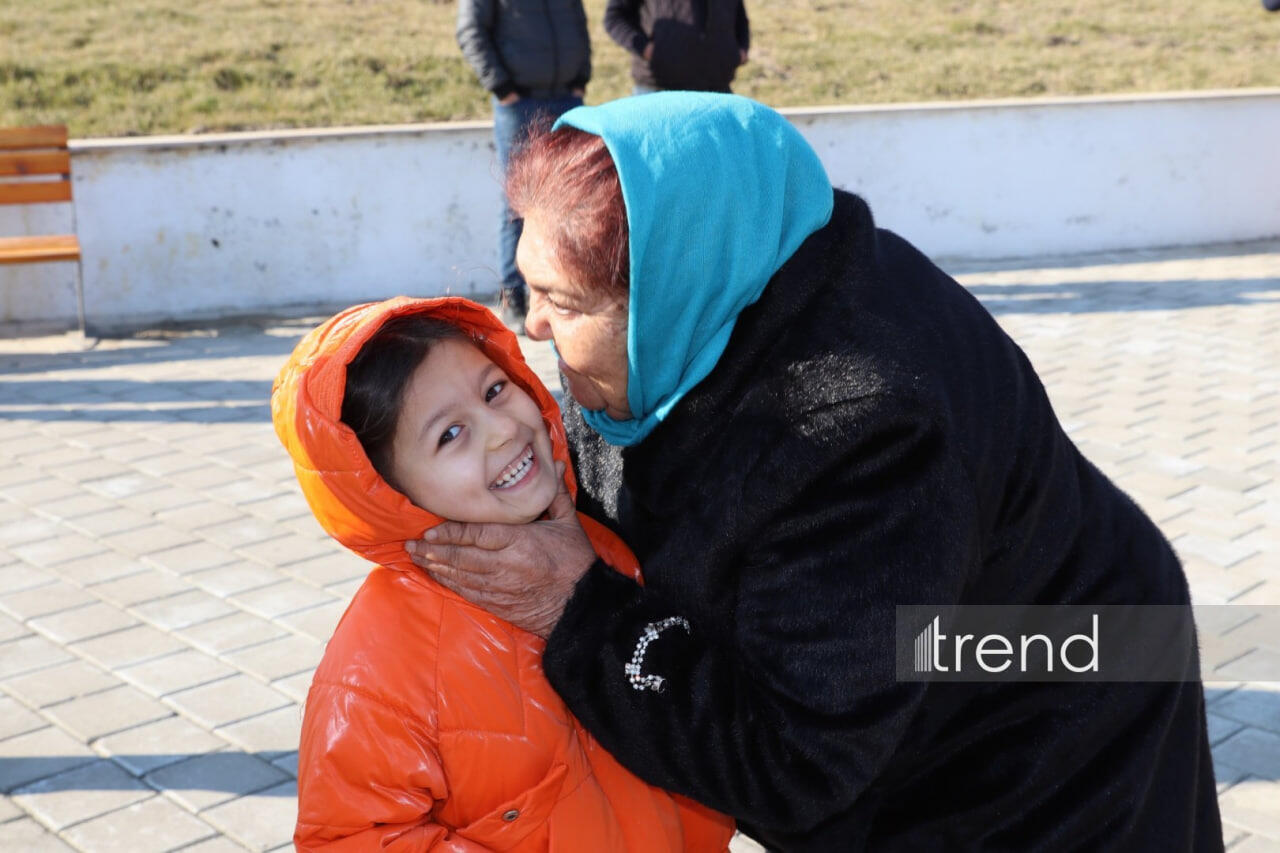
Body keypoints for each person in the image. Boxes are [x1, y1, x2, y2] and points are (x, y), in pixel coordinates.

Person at [406, 93, 1225, 851]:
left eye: (566, 302)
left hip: (1053, 708)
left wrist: (578, 610)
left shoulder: (860, 432)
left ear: (670, 292)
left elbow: (795, 759)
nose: (536, 328)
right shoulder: (718, 292)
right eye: (529, 287)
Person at [271, 296, 733, 851]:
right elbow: (349, 838)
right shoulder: (380, 665)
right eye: (449, 434)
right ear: (386, 493)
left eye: (494, 390)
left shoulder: (605, 547)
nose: (502, 430)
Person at [456, 0, 591, 332]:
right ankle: (514, 297)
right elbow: (470, 30)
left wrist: (581, 77)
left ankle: (562, 291)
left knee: (570, 197)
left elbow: (578, 21)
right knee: (517, 201)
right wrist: (502, 88)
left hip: (567, 100)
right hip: (519, 104)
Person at [604, 0, 749, 94]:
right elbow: (615, 16)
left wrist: (740, 50)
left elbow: (739, 15)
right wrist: (647, 49)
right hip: (658, 91)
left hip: (718, 89)